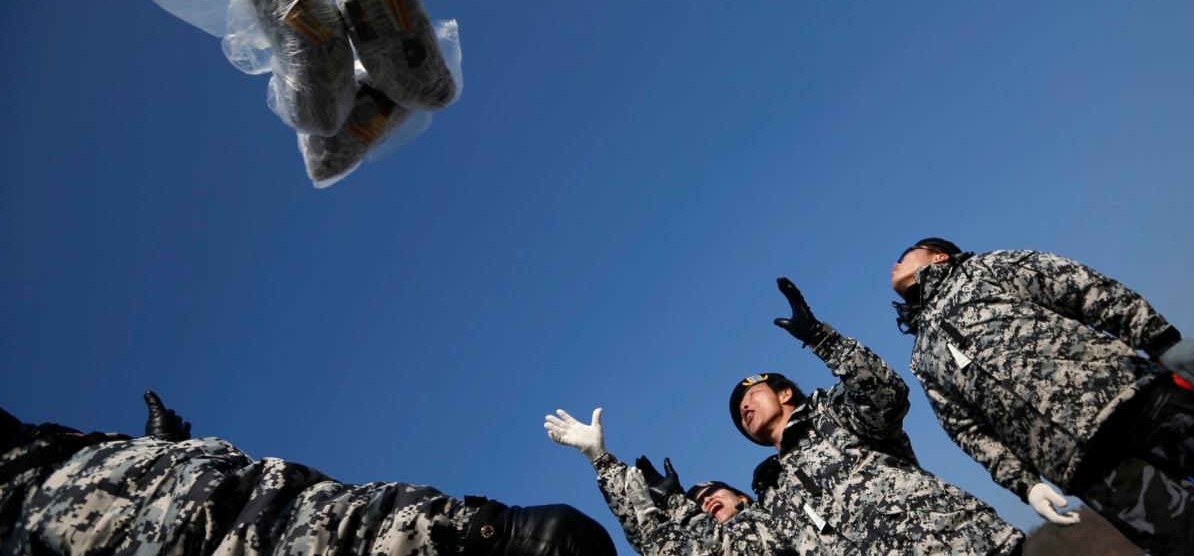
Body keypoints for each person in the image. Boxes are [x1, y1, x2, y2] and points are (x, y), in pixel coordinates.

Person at [1, 393, 617, 556]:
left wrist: (160, 451)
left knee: (563, 537)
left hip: (392, 525)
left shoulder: (70, 452)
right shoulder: (22, 515)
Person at [891, 237, 1194, 554]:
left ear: (940, 257)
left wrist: (1160, 338)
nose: (896, 263)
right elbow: (967, 430)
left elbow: (1077, 286)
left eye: (905, 255)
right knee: (1185, 539)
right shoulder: (922, 357)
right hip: (1081, 466)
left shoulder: (982, 269)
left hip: (1130, 397)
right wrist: (1026, 484)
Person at [730, 277, 1024, 555]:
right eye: (739, 412)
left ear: (785, 394)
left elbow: (886, 396)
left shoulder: (829, 412)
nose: (744, 407)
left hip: (955, 543)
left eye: (752, 394)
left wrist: (820, 338)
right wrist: (681, 502)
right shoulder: (773, 493)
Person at [545, 407, 817, 555]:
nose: (705, 500)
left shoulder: (772, 515)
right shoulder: (687, 535)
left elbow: (730, 546)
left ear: (742, 497)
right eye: (697, 503)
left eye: (712, 491)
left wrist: (675, 502)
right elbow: (647, 538)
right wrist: (601, 460)